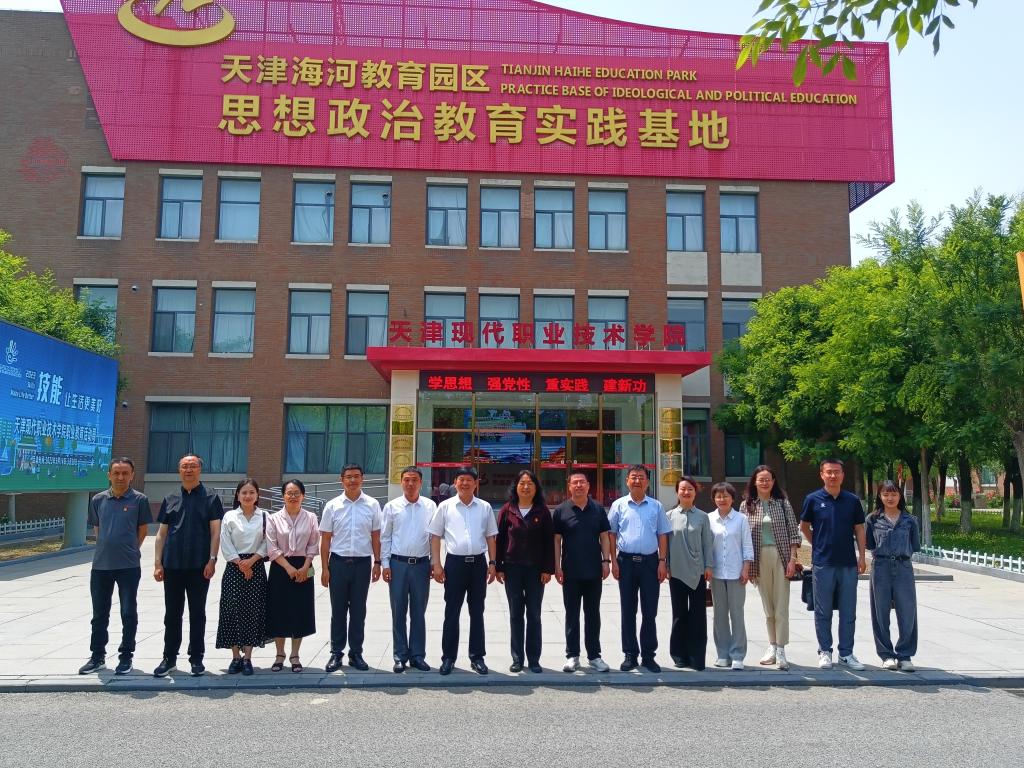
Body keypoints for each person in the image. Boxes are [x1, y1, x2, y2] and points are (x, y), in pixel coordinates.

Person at [153, 454, 224, 677]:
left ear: (200, 470)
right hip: (172, 565)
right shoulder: (170, 498)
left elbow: (215, 532)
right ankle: (169, 658)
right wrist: (157, 563)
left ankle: (196, 658)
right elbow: (161, 534)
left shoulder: (211, 497)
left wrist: (212, 559)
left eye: (193, 466)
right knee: (172, 614)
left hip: (199, 566)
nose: (189, 470)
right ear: (179, 470)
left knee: (197, 613)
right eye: (185, 466)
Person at [78, 457, 150, 676]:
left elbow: (143, 530)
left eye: (125, 473)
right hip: (101, 566)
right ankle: (97, 656)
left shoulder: (139, 500)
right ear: (109, 475)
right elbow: (98, 529)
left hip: (128, 566)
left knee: (128, 612)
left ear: (132, 475)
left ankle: (126, 656)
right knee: (99, 614)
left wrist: (131, 549)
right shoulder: (98, 500)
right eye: (116, 473)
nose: (120, 477)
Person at [428, 466, 498, 675]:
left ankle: (477, 657)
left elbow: (491, 537)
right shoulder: (445, 507)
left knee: (477, 612)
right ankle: (448, 658)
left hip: (478, 565)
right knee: (452, 612)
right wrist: (437, 564)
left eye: (469, 480)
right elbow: (435, 536)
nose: (465, 483)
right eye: (461, 479)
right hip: (455, 564)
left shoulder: (484, 507)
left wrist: (492, 563)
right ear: (455, 483)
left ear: (476, 483)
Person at [800, 458, 867, 671]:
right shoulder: (813, 499)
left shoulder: (852, 500)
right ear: (822, 474)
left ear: (842, 475)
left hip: (848, 563)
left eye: (836, 472)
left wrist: (862, 557)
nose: (832, 475)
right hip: (823, 563)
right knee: (823, 611)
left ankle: (846, 653)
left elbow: (859, 529)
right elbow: (804, 526)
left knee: (848, 611)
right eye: (828, 472)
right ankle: (825, 651)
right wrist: (817, 544)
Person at [608, 464, 671, 673]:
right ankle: (630, 654)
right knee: (628, 610)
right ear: (627, 481)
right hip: (625, 562)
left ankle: (648, 656)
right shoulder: (618, 505)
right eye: (633, 477)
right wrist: (613, 561)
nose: (637, 481)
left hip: (650, 563)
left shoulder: (656, 506)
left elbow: (662, 535)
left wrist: (662, 561)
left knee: (649, 611)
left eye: (641, 477)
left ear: (648, 482)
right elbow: (611, 535)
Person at [320, 464, 382, 673]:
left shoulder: (372, 504)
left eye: (356, 476)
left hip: (362, 564)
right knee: (338, 611)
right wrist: (324, 568)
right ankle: (336, 653)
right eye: (348, 477)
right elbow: (325, 539)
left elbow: (376, 536)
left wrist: (377, 562)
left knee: (358, 611)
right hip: (338, 564)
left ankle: (356, 653)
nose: (352, 480)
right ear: (342, 480)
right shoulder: (332, 506)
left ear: (363, 479)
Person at [740, 465, 802, 671]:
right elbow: (742, 537)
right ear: (754, 482)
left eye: (768, 479)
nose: (765, 482)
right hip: (758, 558)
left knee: (781, 606)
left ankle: (781, 648)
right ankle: (772, 646)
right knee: (768, 607)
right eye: (761, 479)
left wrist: (792, 559)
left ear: (774, 482)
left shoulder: (782, 503)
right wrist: (746, 565)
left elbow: (794, 533)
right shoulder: (746, 505)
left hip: (781, 556)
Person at [495, 469, 555, 673]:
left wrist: (548, 569)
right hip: (512, 568)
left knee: (534, 614)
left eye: (530, 483)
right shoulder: (507, 509)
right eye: (522, 483)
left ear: (536, 487)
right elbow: (500, 539)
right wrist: (499, 567)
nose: (526, 487)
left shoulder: (542, 511)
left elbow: (549, 542)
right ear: (516, 486)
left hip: (536, 570)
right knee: (515, 614)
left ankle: (534, 659)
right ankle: (517, 658)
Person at [553, 471, 612, 673]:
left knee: (593, 614)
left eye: (582, 482)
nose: (578, 485)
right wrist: (557, 566)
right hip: (570, 571)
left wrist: (606, 561)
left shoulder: (598, 509)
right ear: (569, 486)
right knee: (571, 614)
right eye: (575, 483)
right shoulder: (561, 510)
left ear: (588, 485)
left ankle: (594, 656)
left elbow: (604, 537)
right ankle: (572, 656)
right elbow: (556, 541)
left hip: (594, 570)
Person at [381, 466, 437, 673]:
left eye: (414, 480)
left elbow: (434, 538)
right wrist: (385, 564)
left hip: (421, 566)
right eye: (406, 480)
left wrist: (434, 563)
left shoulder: (430, 506)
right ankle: (400, 656)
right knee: (398, 611)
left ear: (421, 483)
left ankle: (417, 656)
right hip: (398, 565)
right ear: (401, 482)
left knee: (418, 612)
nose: (410, 483)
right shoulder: (391, 507)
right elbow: (385, 537)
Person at [215, 478, 269, 676]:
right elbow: (225, 542)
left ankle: (247, 657)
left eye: (251, 492)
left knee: (253, 611)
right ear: (238, 495)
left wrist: (251, 561)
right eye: (244, 492)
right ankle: (235, 656)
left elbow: (267, 542)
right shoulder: (229, 516)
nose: (248, 496)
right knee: (232, 611)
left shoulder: (265, 516)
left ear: (257, 495)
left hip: (256, 567)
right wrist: (240, 563)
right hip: (234, 568)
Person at [866, 480, 921, 672]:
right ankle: (886, 654)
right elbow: (869, 544)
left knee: (907, 612)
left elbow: (914, 545)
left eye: (894, 494)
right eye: (886, 494)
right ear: (879, 496)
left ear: (900, 496)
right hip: (880, 567)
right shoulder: (872, 519)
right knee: (880, 612)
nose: (890, 498)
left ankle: (905, 655)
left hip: (903, 567)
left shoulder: (910, 520)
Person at [265, 479, 319, 672]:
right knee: (278, 611)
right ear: (283, 496)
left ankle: (295, 655)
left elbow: (313, 544)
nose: (293, 496)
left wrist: (305, 566)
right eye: (289, 493)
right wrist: (288, 568)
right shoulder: (273, 518)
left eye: (297, 493)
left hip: (304, 566)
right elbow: (271, 547)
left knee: (300, 611)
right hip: (280, 567)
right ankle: (279, 654)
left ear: (303, 496)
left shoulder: (311, 517)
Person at [665, 475, 713, 671]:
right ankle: (679, 655)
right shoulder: (669, 516)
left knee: (697, 616)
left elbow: (707, 544)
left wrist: (708, 566)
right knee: (679, 615)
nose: (686, 492)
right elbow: (665, 544)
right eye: (682, 489)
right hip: (676, 572)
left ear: (695, 492)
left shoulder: (702, 517)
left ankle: (696, 657)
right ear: (677, 492)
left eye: (690, 489)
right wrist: (666, 565)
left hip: (697, 572)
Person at [708, 482, 754, 670]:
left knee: (737, 614)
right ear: (714, 499)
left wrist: (746, 568)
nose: (722, 499)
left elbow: (747, 545)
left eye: (726, 496)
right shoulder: (709, 519)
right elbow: (707, 546)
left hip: (736, 573)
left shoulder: (741, 519)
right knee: (719, 615)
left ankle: (737, 655)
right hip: (716, 573)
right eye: (718, 496)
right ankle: (722, 654)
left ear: (732, 499)